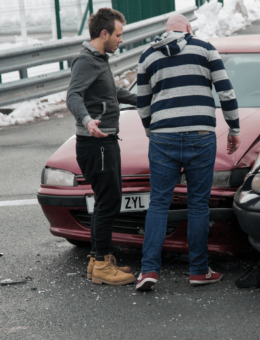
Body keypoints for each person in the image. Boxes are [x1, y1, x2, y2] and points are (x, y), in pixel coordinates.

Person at [135, 14, 241, 291]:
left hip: (162, 137)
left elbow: (142, 103)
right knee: (197, 204)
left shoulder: (147, 56)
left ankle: (148, 270)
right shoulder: (205, 49)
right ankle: (198, 270)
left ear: (167, 31)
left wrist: (151, 130)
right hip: (201, 136)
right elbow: (226, 92)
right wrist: (234, 128)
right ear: (188, 29)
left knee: (158, 203)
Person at [66, 8, 137, 286]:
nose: (121, 40)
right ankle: (102, 263)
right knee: (108, 203)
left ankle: (98, 262)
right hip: (97, 144)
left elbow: (111, 93)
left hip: (103, 142)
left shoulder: (100, 59)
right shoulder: (86, 61)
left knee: (105, 201)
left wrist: (141, 99)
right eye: (118, 35)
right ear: (104, 33)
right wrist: (86, 120)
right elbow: (73, 95)